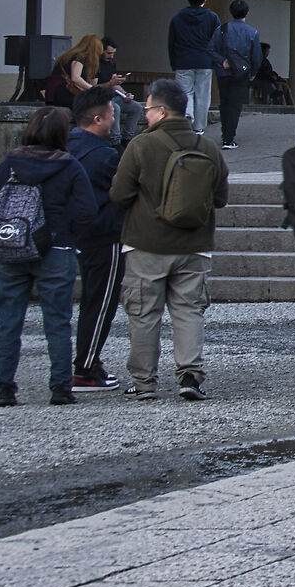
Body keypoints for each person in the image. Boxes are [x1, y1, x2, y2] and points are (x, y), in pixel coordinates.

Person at [108, 76, 228, 400]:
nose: (145, 114)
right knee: (189, 310)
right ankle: (190, 376)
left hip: (147, 243)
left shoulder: (141, 145)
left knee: (145, 313)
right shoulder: (208, 147)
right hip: (196, 244)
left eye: (147, 109)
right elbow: (220, 198)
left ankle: (144, 382)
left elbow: (119, 195)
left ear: (161, 111)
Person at [0, 105, 97, 406]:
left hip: (10, 247)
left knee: (8, 320)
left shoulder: (10, 162)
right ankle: (60, 387)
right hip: (56, 247)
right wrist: (67, 230)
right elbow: (88, 210)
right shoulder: (69, 164)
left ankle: (5, 388)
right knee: (57, 321)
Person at [65, 90, 126, 391]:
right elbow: (123, 192)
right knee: (101, 302)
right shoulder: (104, 156)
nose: (114, 121)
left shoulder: (65, 146)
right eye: (112, 115)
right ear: (98, 118)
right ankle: (86, 366)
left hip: (73, 233)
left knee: (89, 300)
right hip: (104, 233)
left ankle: (87, 362)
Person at [165, 0, 223, 132]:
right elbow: (218, 42)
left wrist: (174, 62)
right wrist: (217, 61)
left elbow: (171, 42)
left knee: (185, 92)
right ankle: (199, 128)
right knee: (203, 95)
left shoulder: (177, 18)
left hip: (183, 60)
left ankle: (187, 115)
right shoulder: (212, 18)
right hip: (205, 61)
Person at [209, 0, 260, 148]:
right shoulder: (252, 32)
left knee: (224, 103)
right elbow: (256, 56)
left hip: (223, 72)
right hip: (241, 73)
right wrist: (253, 72)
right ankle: (229, 138)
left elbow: (210, 49)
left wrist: (221, 61)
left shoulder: (221, 29)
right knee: (235, 105)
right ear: (247, 12)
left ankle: (225, 133)